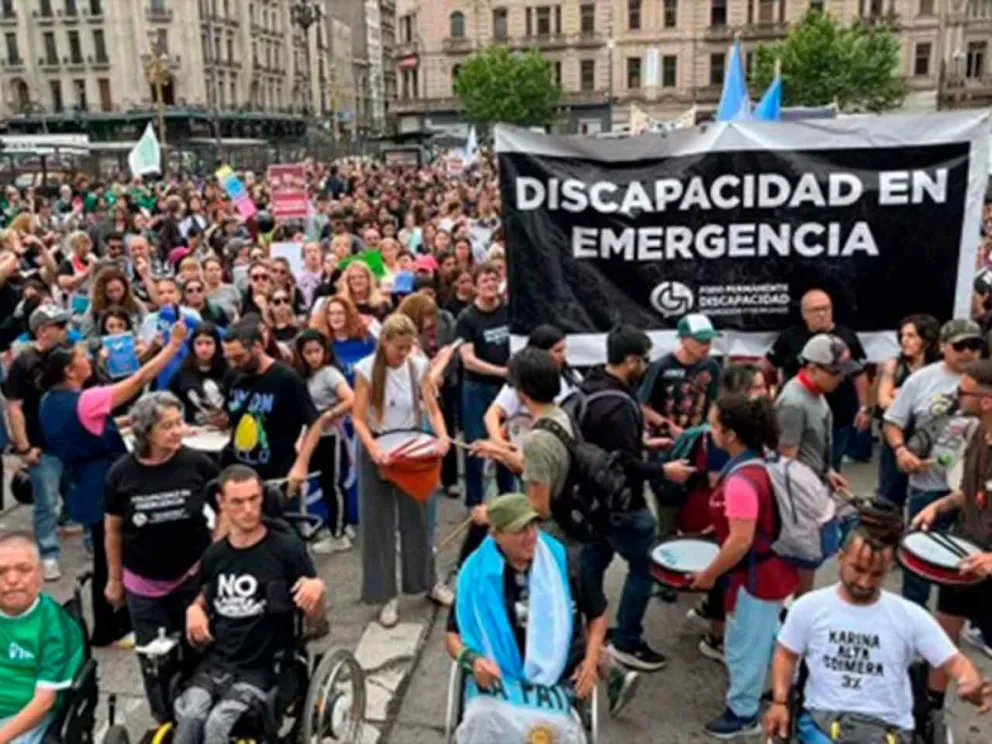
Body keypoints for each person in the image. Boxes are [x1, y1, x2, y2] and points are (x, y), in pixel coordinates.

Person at [763, 518, 991, 744]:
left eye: (876, 574)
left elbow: (955, 662)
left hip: (889, 728)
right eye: (859, 569)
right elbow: (786, 654)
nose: (864, 582)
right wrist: (780, 702)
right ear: (841, 559)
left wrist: (969, 680)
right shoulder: (809, 607)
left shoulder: (909, 615)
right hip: (822, 723)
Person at [37, 324, 187, 645]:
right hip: (105, 480)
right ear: (70, 370)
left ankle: (113, 620)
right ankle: (109, 625)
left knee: (106, 552)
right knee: (113, 554)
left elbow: (90, 425)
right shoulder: (87, 398)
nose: (88, 359)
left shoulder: (49, 401)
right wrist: (172, 347)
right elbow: (138, 380)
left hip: (79, 482)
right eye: (81, 356)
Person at [172, 465, 326, 744]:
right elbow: (205, 591)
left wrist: (317, 591)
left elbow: (317, 624)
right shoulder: (215, 555)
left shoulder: (286, 549)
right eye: (238, 502)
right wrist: (195, 608)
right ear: (221, 503)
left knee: (219, 725)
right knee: (190, 716)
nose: (248, 509)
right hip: (217, 663)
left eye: (254, 499)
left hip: (264, 668)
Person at [576, 325, 694, 670]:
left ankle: (587, 628)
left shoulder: (589, 388)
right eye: (643, 359)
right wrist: (663, 470)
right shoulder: (620, 404)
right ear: (629, 360)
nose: (645, 365)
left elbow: (605, 446)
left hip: (590, 500)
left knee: (592, 563)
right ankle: (627, 639)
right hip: (622, 503)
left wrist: (642, 444)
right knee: (644, 566)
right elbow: (622, 464)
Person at [445, 494, 606, 743]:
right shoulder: (475, 575)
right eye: (519, 529)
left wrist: (591, 659)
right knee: (482, 719)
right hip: (499, 677)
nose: (530, 536)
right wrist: (473, 660)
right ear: (496, 534)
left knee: (555, 729)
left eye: (532, 525)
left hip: (557, 678)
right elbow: (452, 635)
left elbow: (598, 615)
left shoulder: (566, 562)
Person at [103, 392, 219, 723]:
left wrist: (218, 549)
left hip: (192, 577)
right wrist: (114, 579)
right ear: (145, 431)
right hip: (143, 585)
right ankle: (164, 722)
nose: (178, 431)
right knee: (155, 661)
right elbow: (112, 530)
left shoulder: (197, 463)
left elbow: (225, 504)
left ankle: (200, 715)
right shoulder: (120, 474)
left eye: (180, 423)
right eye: (168, 426)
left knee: (200, 649)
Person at [690, 394, 799, 738]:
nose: (710, 431)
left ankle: (743, 712)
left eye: (714, 425)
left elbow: (740, 541)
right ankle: (794, 687)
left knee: (743, 647)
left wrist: (708, 575)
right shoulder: (762, 463)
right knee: (770, 635)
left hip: (753, 578)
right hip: (774, 570)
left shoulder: (739, 480)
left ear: (731, 434)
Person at [910, 359, 992, 741]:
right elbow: (971, 492)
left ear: (987, 400)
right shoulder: (978, 434)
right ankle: (929, 709)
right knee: (943, 633)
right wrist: (940, 505)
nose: (956, 398)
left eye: (964, 392)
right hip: (965, 551)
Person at [351, 314, 451, 627]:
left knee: (419, 518)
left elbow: (432, 407)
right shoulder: (366, 369)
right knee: (378, 523)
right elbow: (357, 418)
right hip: (378, 446)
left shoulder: (417, 367)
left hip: (410, 444)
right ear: (384, 343)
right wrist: (374, 449)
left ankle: (427, 581)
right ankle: (386, 595)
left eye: (409, 347)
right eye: (399, 348)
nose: (404, 353)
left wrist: (443, 435)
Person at [884, 319, 984, 608]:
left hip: (974, 490)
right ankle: (913, 617)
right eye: (960, 346)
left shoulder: (987, 378)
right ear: (942, 346)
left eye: (975, 345)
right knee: (920, 562)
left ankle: (965, 623)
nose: (968, 352)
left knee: (970, 561)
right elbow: (892, 421)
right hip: (929, 485)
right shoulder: (921, 380)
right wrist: (902, 451)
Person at [765, 289, 870, 470]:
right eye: (815, 310)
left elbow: (860, 375)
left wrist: (864, 408)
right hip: (799, 431)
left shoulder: (846, 337)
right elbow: (787, 464)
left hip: (840, 416)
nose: (822, 314)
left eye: (826, 308)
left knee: (830, 461)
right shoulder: (793, 402)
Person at [2, 305, 70, 580]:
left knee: (80, 495)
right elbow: (14, 406)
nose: (66, 331)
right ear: (43, 330)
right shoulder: (23, 363)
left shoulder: (66, 357)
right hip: (42, 444)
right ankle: (49, 553)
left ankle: (91, 542)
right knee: (46, 502)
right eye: (60, 326)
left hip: (70, 441)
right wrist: (23, 446)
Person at [0, 532, 85, 744]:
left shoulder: (54, 626)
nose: (11, 580)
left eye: (24, 570)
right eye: (1, 572)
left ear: (40, 574)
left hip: (25, 715)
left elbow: (44, 702)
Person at [217, 319, 322, 489]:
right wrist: (221, 419)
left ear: (258, 346)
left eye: (239, 357)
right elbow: (232, 416)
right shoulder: (234, 375)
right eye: (229, 358)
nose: (234, 364)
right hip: (238, 468)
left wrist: (301, 464)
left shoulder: (287, 378)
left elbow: (315, 422)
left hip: (276, 472)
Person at [458, 262, 514, 507]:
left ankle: (508, 497)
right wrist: (501, 371)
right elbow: (468, 360)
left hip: (506, 388)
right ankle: (475, 500)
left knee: (505, 441)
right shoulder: (467, 318)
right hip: (477, 388)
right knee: (475, 442)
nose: (490, 285)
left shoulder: (509, 311)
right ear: (476, 286)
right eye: (484, 281)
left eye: (494, 279)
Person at [294, 330, 354, 554]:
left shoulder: (329, 374)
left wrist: (329, 415)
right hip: (310, 437)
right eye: (308, 352)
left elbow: (351, 398)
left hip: (331, 437)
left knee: (332, 484)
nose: (313, 357)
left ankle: (339, 535)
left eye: (317, 351)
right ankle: (338, 525)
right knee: (318, 483)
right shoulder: (302, 376)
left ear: (325, 351)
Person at [876, 314, 941, 507]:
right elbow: (884, 401)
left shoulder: (937, 368)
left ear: (927, 340)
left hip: (926, 434)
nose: (905, 340)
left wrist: (901, 396)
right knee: (890, 490)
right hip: (896, 435)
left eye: (912, 336)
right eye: (903, 335)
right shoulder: (894, 365)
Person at [484, 325, 580, 450]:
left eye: (564, 349)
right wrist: (498, 441)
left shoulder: (573, 377)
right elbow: (492, 414)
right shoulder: (521, 382)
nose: (563, 355)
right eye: (557, 351)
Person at [640, 313, 722, 438]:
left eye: (709, 341)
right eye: (701, 341)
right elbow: (642, 405)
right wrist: (668, 426)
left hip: (699, 439)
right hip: (665, 442)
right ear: (683, 340)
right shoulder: (661, 366)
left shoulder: (711, 366)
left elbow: (716, 401)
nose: (706, 346)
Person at [168, 323, 229, 425]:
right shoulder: (183, 371)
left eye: (209, 343)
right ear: (192, 345)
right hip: (193, 430)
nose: (203, 349)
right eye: (199, 343)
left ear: (217, 345)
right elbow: (169, 401)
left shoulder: (228, 369)